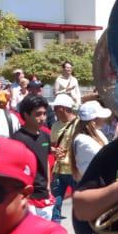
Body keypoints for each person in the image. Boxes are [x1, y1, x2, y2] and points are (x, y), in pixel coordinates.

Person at [70, 101, 112, 234]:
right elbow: (104, 158)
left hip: (99, 189)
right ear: (93, 120)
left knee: (98, 233)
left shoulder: (95, 135)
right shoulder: (83, 140)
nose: (104, 119)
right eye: (100, 117)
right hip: (91, 190)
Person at [9, 94, 54, 220]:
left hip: (44, 196)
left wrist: (48, 187)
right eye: (38, 114)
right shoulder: (17, 139)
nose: (42, 118)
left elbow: (46, 161)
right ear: (26, 115)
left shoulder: (45, 136)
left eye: (44, 114)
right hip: (27, 198)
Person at [48, 94, 80, 222]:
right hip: (59, 170)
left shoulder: (79, 124)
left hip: (74, 171)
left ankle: (82, 232)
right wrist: (54, 150)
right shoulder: (55, 125)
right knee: (55, 206)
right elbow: (51, 145)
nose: (54, 111)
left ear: (65, 108)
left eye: (57, 108)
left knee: (79, 206)